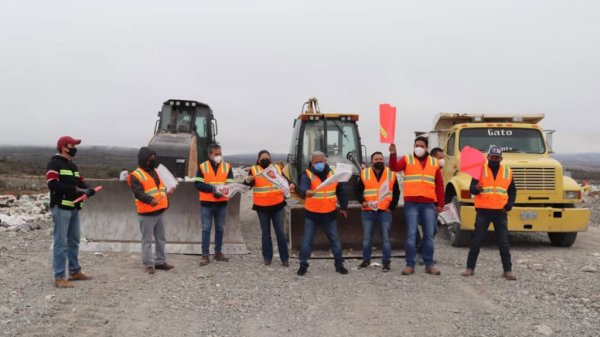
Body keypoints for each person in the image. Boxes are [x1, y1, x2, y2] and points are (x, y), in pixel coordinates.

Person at [389, 136, 444, 275]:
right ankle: (410, 264)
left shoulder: (434, 162)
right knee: (411, 234)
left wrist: (440, 204)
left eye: (421, 145)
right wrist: (393, 154)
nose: (418, 148)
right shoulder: (407, 159)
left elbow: (439, 185)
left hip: (428, 204)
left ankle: (429, 264)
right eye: (416, 145)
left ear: (426, 148)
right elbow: (394, 167)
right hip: (412, 203)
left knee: (429, 235)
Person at [46, 136, 96, 288]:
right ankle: (59, 277)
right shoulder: (54, 163)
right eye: (72, 145)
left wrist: (87, 188)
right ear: (63, 147)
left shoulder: (72, 166)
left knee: (74, 241)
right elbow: (53, 184)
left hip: (74, 208)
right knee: (61, 243)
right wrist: (76, 190)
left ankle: (75, 271)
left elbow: (80, 181)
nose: (75, 148)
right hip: (61, 208)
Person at [461, 146, 517, 280]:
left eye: (497, 158)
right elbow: (471, 189)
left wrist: (509, 205)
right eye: (492, 157)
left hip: (500, 212)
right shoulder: (479, 170)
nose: (494, 159)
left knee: (503, 242)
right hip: (483, 212)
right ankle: (470, 268)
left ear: (501, 159)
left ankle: (507, 271)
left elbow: (512, 191)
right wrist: (476, 188)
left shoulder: (507, 172)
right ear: (488, 157)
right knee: (476, 241)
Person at [297, 151, 349, 276]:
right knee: (307, 241)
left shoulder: (334, 174)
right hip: (312, 214)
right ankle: (303, 265)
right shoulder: (307, 174)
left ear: (326, 161)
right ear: (312, 163)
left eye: (321, 161)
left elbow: (341, 191)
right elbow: (303, 187)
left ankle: (339, 265)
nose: (319, 164)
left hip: (329, 214)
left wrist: (343, 207)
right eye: (316, 162)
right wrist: (305, 192)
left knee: (335, 240)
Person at [244, 150, 296, 267]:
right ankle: (267, 257)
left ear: (270, 159)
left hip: (277, 205)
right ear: (258, 160)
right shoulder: (254, 169)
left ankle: (284, 258)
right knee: (265, 233)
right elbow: (247, 184)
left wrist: (292, 184)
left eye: (267, 158)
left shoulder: (277, 168)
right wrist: (247, 180)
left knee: (280, 233)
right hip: (262, 207)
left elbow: (285, 181)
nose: (265, 160)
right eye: (263, 158)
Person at [128, 147, 174, 274]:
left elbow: (161, 188)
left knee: (161, 238)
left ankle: (160, 261)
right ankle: (149, 264)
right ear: (145, 160)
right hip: (147, 212)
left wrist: (168, 191)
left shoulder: (155, 172)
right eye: (151, 158)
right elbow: (138, 193)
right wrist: (150, 200)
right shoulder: (135, 175)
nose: (154, 160)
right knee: (147, 240)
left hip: (160, 210)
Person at [356, 151, 400, 271]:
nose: (379, 161)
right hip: (367, 211)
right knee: (367, 238)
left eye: (381, 159)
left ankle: (386, 262)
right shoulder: (364, 173)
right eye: (376, 159)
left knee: (385, 238)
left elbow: (396, 193)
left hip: (385, 211)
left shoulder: (391, 174)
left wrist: (391, 207)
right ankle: (366, 260)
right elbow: (358, 191)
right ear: (372, 161)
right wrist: (362, 201)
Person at [194, 143, 233, 266]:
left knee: (220, 228)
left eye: (220, 154)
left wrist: (222, 191)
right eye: (216, 154)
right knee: (206, 229)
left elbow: (229, 184)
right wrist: (213, 189)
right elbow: (198, 184)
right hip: (207, 204)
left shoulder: (227, 167)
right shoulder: (203, 167)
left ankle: (218, 253)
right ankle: (205, 255)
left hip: (221, 203)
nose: (219, 156)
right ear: (210, 154)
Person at [415, 146, 445, 265]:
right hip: (425, 204)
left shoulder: (440, 171)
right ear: (433, 158)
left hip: (434, 205)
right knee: (430, 229)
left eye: (443, 158)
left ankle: (422, 253)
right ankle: (420, 254)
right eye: (439, 158)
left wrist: (440, 205)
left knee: (432, 230)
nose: (442, 160)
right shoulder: (428, 170)